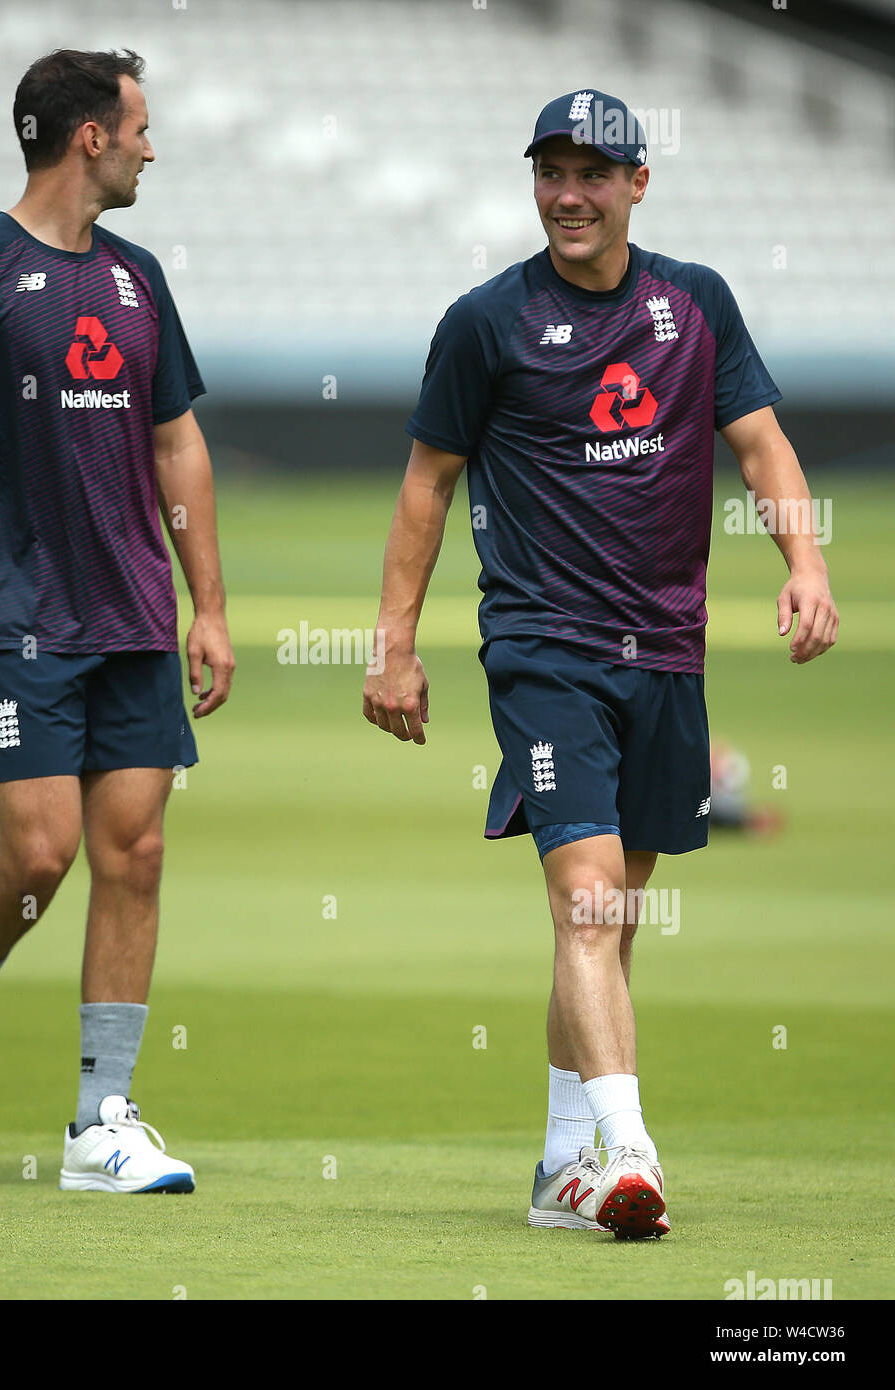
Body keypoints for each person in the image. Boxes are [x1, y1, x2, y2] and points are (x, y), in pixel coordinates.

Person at [362, 89, 837, 1237]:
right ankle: (630, 1153)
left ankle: (560, 1168)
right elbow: (428, 482)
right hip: (545, 651)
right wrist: (394, 647)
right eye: (551, 173)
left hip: (666, 656)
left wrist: (806, 562)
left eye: (591, 174)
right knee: (584, 902)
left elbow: (760, 442)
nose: (568, 195)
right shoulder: (486, 322)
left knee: (610, 921)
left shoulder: (696, 303)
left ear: (637, 183)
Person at [0, 48, 234, 1194]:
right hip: (20, 619)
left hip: (133, 618)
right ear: (91, 136)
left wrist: (208, 606)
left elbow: (177, 442)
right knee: (41, 852)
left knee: (136, 852)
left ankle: (100, 1124)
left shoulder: (139, 279)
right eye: (139, 127)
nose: (150, 148)